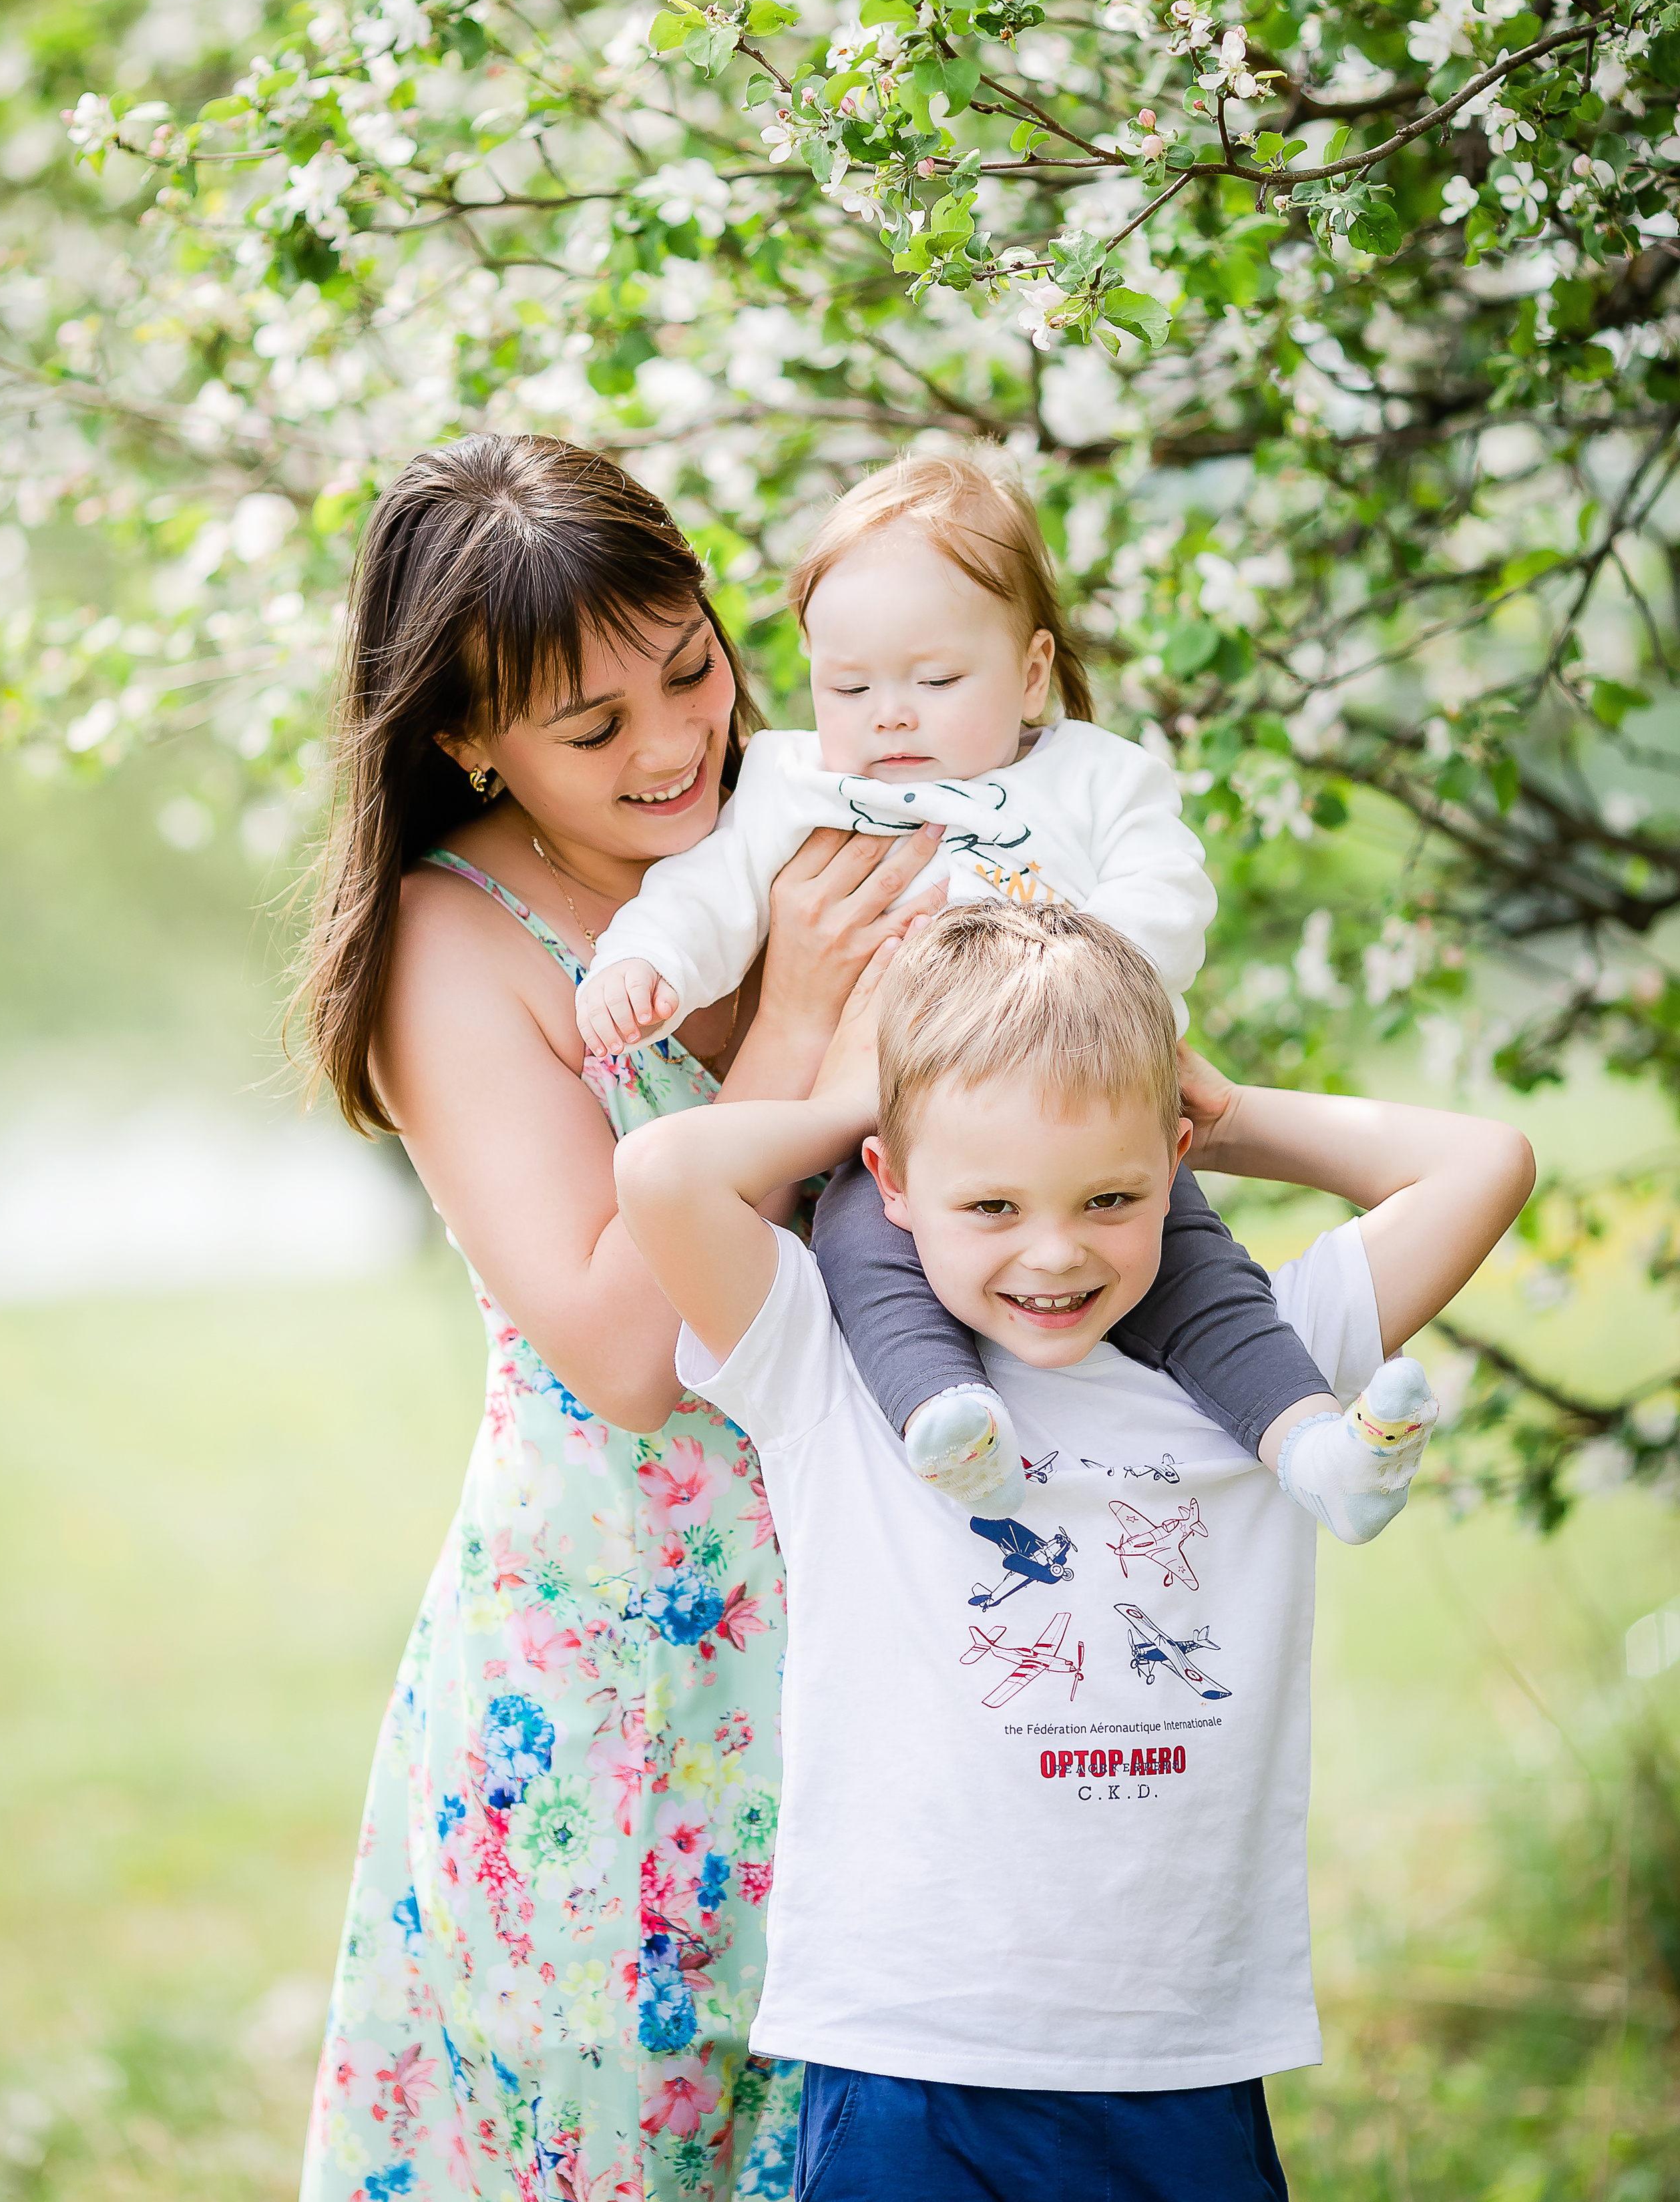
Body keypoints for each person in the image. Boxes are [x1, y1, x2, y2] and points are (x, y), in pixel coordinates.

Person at [614, 901, 1536, 2201]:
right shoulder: (824, 1361)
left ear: (1169, 1161)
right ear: (888, 1181)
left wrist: (1203, 1100)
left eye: (1110, 1197)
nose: (1052, 1252)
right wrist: (877, 1097)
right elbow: (660, 1174)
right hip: (906, 2053)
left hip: (1176, 2051)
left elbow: (1484, 1159)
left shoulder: (1266, 1362)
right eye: (987, 1203)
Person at [294, 434, 946, 2202]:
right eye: (594, 728)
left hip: (881, 1620)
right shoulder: (463, 940)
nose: (674, 746)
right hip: (629, 1678)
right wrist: (803, 1014)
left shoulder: (796, 828)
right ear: (465, 737)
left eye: (690, 671)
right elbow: (628, 1351)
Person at [584, 447, 1433, 1542]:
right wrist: (641, 963)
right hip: (901, 1144)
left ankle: (1319, 1449)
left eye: (935, 682)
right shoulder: (797, 786)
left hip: (1082, 1114)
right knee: (862, 1255)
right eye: (848, 686)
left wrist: (1081, 978)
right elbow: (706, 892)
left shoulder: (1094, 775)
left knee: (1200, 1273)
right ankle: (951, 1425)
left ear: (1031, 672)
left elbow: (1167, 892)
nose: (890, 717)